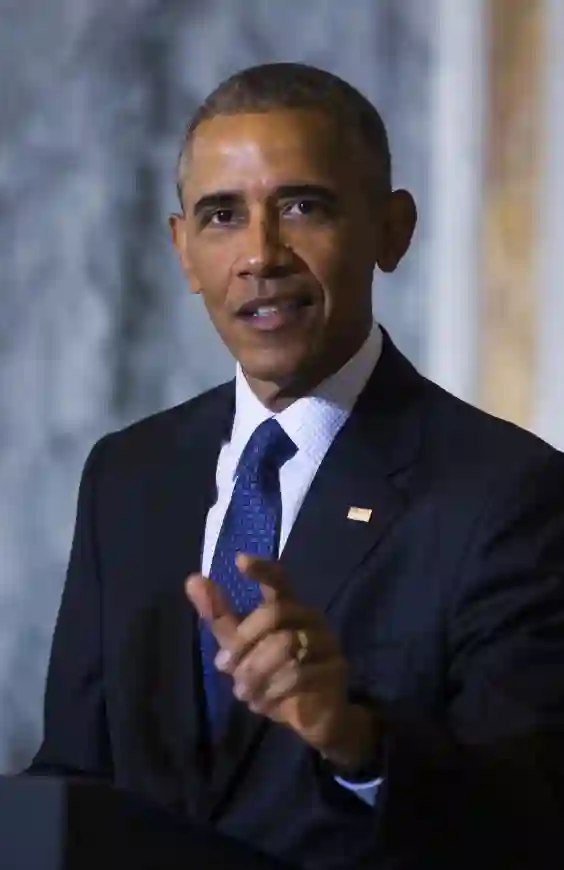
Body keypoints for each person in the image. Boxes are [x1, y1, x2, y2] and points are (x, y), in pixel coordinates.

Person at [29, 63, 564, 869]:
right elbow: (73, 780)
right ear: (183, 251)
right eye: (222, 216)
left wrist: (355, 738)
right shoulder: (128, 475)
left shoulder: (507, 492)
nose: (260, 255)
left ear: (392, 230)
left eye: (303, 207)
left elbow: (536, 822)